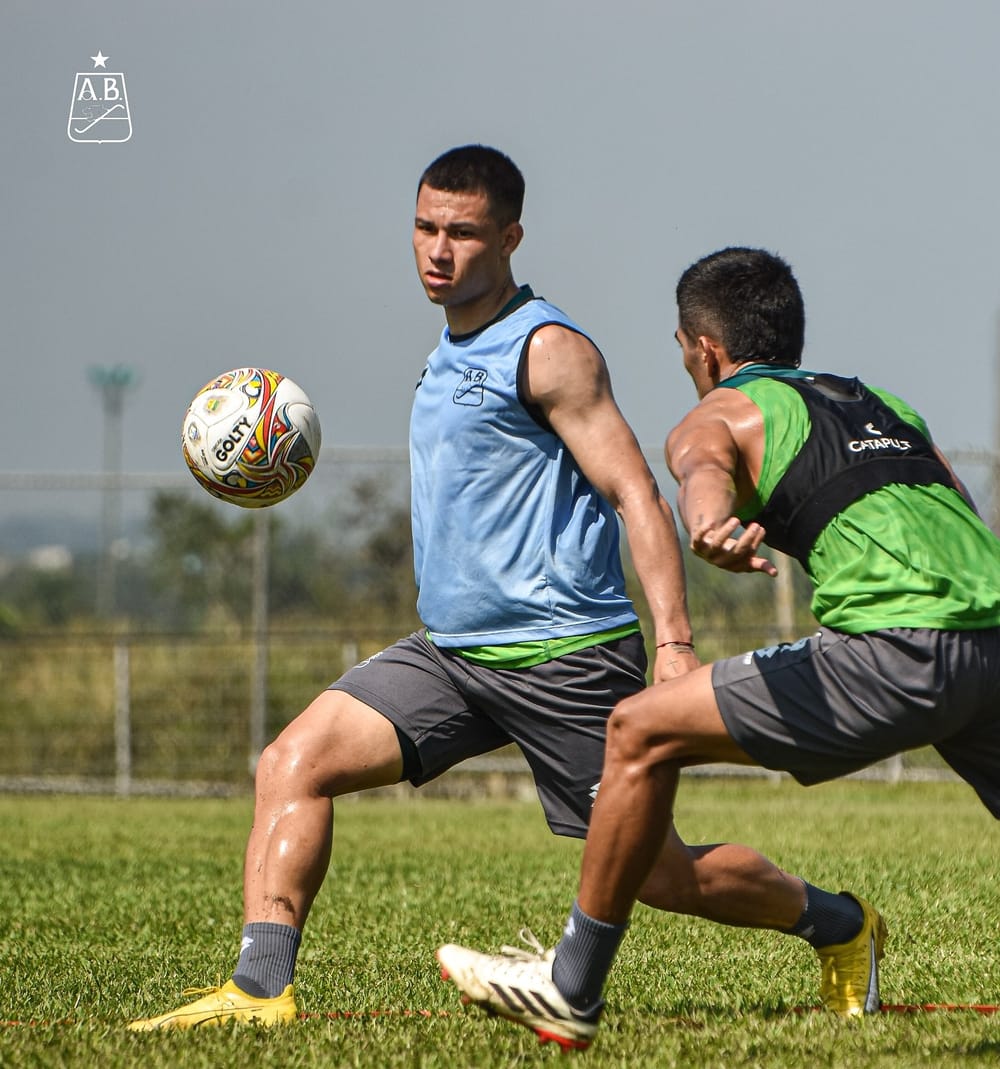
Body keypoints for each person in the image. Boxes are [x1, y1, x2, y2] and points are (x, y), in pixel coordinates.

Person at [127, 144, 702, 1030]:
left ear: (510, 238)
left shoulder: (548, 350)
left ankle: (839, 924)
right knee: (291, 763)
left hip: (564, 655)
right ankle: (259, 990)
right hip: (451, 655)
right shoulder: (447, 349)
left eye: (463, 233)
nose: (438, 250)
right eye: (425, 227)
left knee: (661, 874)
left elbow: (637, 495)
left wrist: (674, 643)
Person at [436, 246, 1000, 1049]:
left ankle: (570, 986)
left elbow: (701, 471)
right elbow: (956, 505)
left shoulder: (720, 411)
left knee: (637, 728)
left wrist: (709, 526)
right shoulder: (885, 404)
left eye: (682, 350)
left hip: (897, 649)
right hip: (991, 639)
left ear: (704, 349)